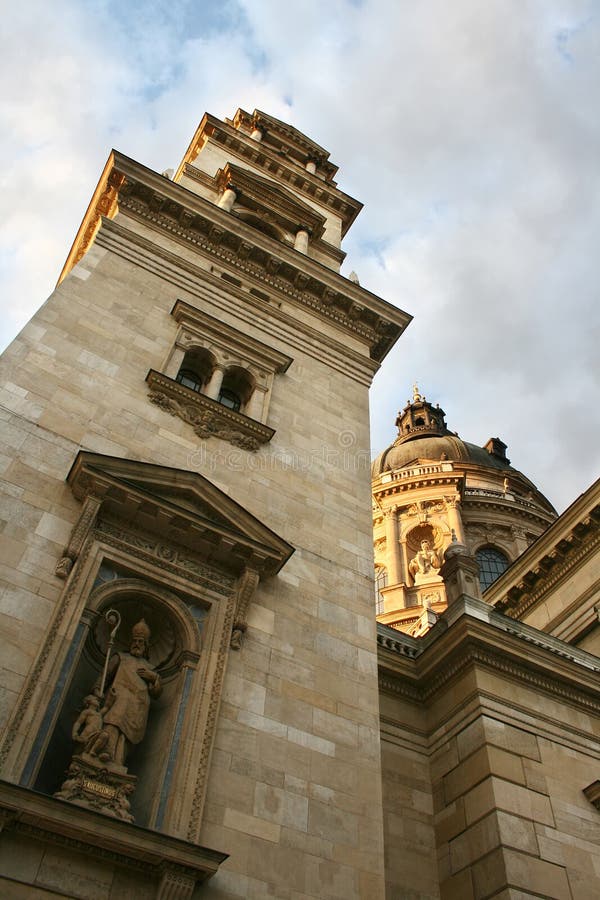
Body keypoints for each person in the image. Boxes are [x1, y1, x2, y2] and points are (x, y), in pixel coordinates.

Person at [97, 619, 162, 767]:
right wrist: (96, 692)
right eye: (135, 641)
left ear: (146, 646)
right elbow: (104, 677)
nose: (137, 644)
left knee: (126, 737)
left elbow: (157, 693)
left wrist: (154, 678)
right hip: (117, 700)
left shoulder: (149, 668)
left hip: (137, 708)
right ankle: (104, 752)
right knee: (113, 722)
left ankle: (118, 761)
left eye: (140, 641)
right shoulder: (120, 657)